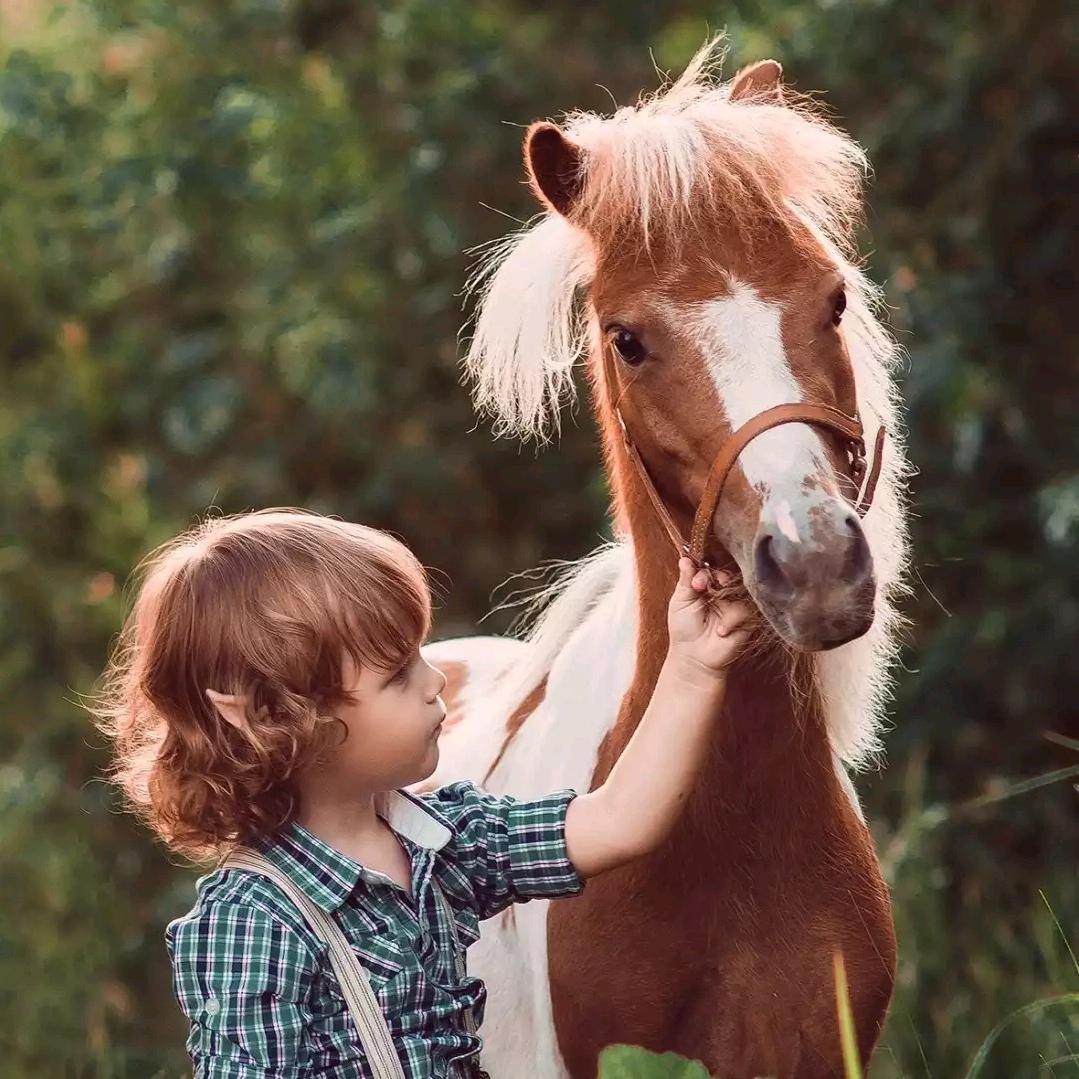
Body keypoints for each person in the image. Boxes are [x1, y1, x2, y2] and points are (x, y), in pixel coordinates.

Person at [88, 507, 750, 1078]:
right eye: (398, 673)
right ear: (272, 716)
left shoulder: (446, 840)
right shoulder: (254, 923)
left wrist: (692, 665)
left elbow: (618, 819)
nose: (435, 680)